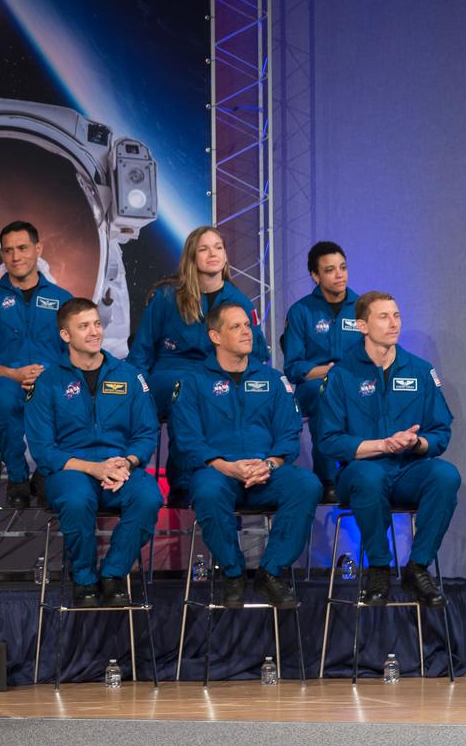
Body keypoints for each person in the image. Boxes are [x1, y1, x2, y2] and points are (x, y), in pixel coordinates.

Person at [170, 303, 321, 608]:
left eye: (247, 325)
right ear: (215, 335)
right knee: (207, 490)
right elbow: (187, 439)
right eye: (236, 326)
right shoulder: (193, 381)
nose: (246, 332)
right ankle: (233, 572)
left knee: (307, 485)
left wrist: (268, 464)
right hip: (218, 472)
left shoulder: (273, 380)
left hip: (266, 472)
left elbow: (289, 434)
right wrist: (226, 466)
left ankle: (271, 571)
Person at [315, 291, 459, 608]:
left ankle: (417, 567)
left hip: (407, 469)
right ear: (362, 326)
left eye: (396, 315)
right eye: (383, 316)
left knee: (446, 475)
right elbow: (328, 440)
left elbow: (440, 431)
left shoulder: (419, 371)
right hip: (360, 472)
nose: (393, 323)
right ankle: (379, 567)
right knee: (368, 477)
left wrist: (417, 443)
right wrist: (382, 444)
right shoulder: (341, 375)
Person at [23, 298, 163, 606]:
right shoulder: (48, 382)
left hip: (119, 466)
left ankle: (113, 575)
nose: (94, 332)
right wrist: (92, 468)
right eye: (84, 326)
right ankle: (84, 578)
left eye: (97, 324)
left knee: (150, 497)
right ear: (65, 335)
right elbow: (44, 449)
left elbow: (146, 432)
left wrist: (126, 462)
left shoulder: (128, 375)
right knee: (76, 500)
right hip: (69, 470)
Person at [127, 225, 269, 498]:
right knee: (188, 391)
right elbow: (142, 349)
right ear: (192, 257)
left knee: (223, 393)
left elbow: (258, 352)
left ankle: (227, 479)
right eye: (204, 249)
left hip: (217, 374)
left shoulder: (238, 301)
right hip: (170, 373)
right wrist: (137, 389)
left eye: (218, 247)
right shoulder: (167, 296)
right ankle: (183, 480)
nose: (212, 254)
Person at [0, 221, 72, 509]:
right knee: (1, 400)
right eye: (8, 250)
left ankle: (47, 474)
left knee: (71, 403)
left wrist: (46, 376)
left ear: (38, 249)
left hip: (51, 381)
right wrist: (11, 373)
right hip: (7, 379)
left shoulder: (62, 300)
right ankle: (17, 476)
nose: (16, 257)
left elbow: (75, 351)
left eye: (22, 248)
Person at [282, 241, 361, 499]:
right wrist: (326, 372)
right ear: (315, 276)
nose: (340, 275)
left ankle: (362, 472)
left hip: (356, 384)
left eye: (343, 267)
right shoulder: (301, 311)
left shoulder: (363, 308)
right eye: (330, 270)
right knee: (324, 394)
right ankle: (327, 480)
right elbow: (293, 366)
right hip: (315, 385)